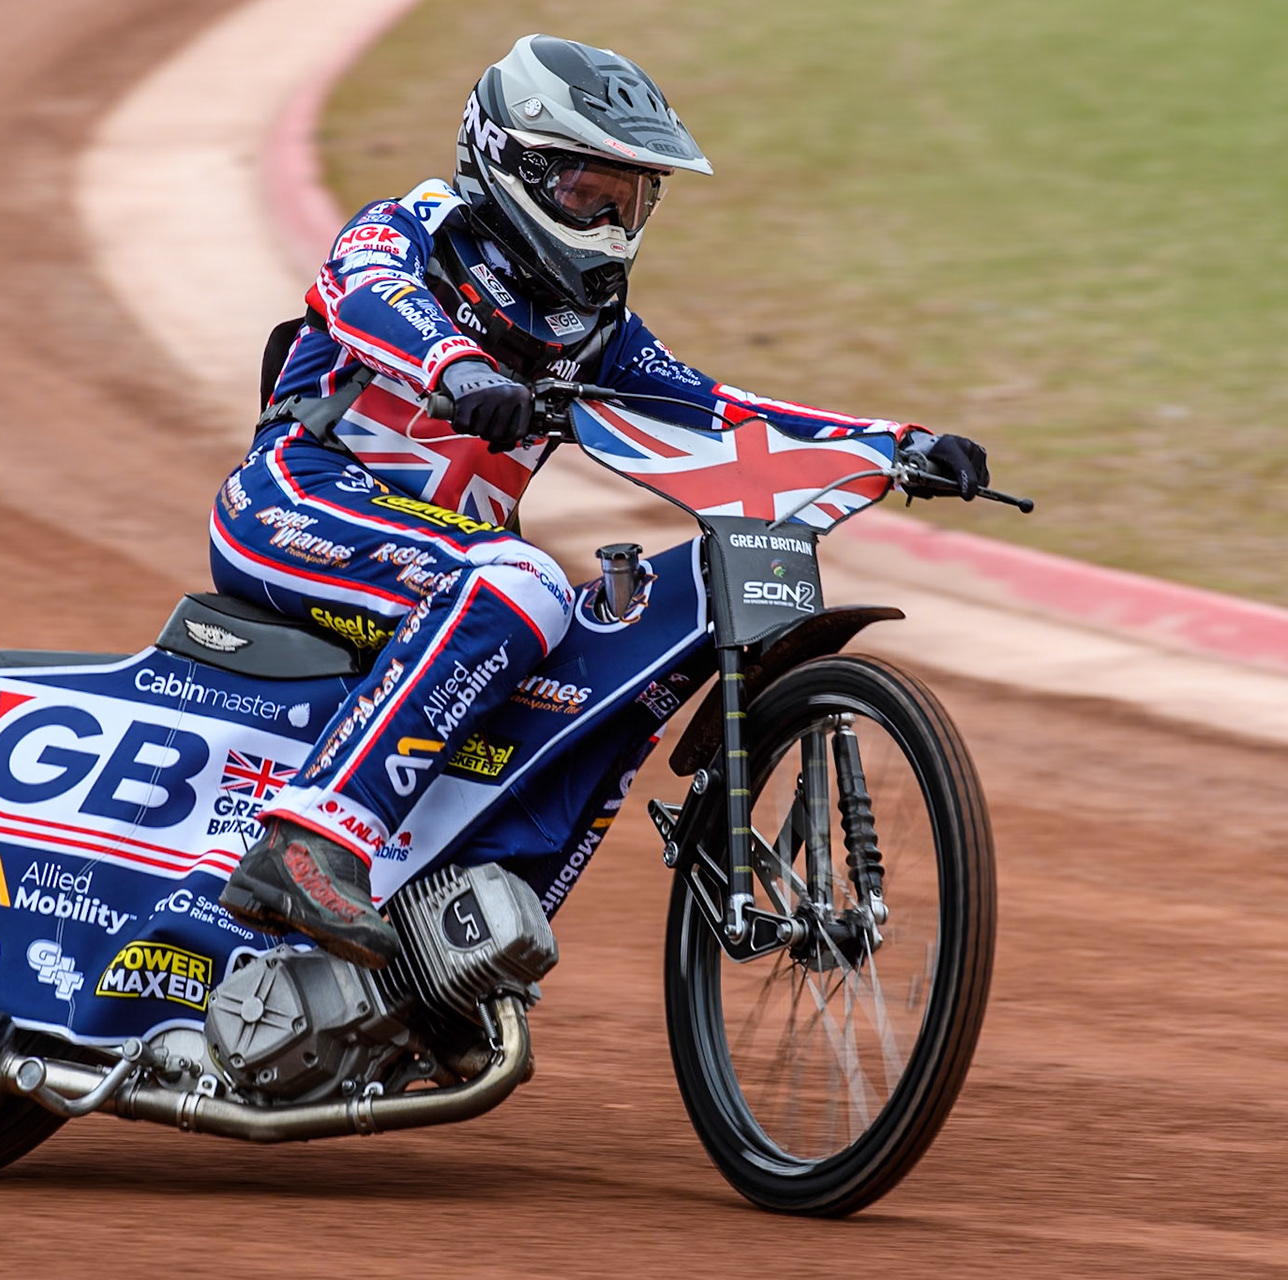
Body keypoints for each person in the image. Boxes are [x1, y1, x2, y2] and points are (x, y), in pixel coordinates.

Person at [214, 34, 990, 967]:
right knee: (525, 583)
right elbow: (370, 295)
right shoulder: (413, 229)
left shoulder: (593, 329)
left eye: (631, 201)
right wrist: (457, 370)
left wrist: (893, 445)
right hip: (293, 500)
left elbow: (720, 413)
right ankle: (306, 845)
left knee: (586, 656)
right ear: (510, 162)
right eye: (590, 193)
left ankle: (447, 942)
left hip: (442, 559)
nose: (612, 224)